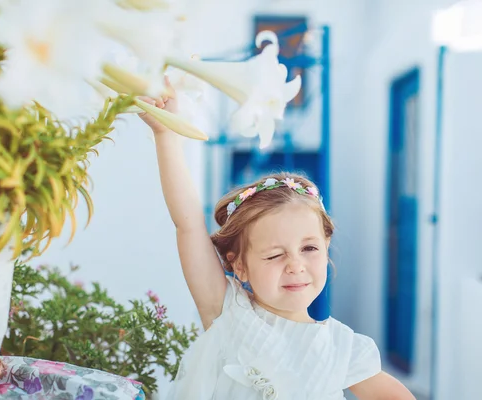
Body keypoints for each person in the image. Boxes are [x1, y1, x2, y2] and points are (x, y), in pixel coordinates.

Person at [139, 78, 415, 399]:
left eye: (309, 248)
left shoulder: (342, 349)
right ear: (239, 265)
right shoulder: (227, 312)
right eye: (274, 255)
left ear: (326, 248)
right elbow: (187, 224)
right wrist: (166, 136)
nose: (295, 265)